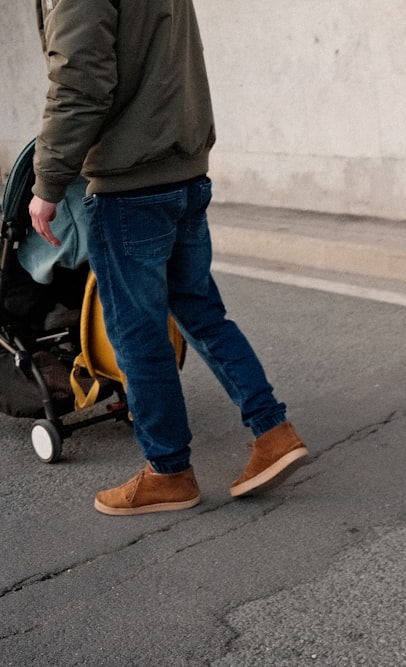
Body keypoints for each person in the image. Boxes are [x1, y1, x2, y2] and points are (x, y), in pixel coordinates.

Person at [28, 0, 309, 515]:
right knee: (202, 313)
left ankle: (170, 471)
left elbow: (80, 80)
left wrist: (47, 182)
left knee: (139, 336)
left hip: (129, 183)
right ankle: (274, 431)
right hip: (183, 169)